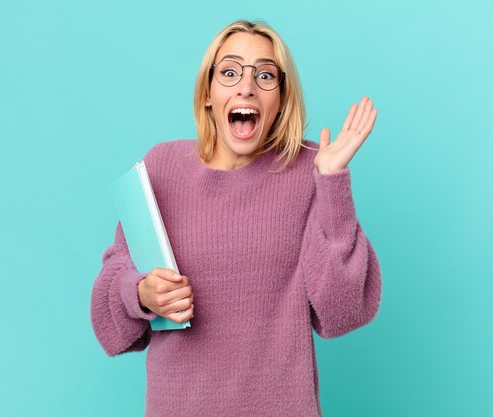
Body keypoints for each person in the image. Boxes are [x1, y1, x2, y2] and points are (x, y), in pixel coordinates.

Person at [90, 19, 381, 417]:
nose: (246, 87)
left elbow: (343, 310)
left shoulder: (310, 171)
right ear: (208, 93)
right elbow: (109, 314)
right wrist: (140, 293)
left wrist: (331, 182)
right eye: (229, 72)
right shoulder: (161, 167)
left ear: (281, 98)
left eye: (265, 75)